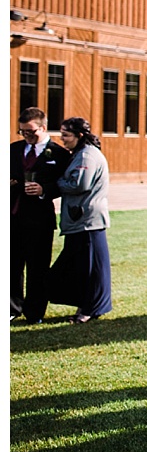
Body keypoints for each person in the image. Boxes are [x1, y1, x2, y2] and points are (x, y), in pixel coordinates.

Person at [46, 117, 112, 324]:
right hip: (83, 220)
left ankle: (90, 309)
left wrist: (56, 181)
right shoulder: (82, 154)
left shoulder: (87, 157)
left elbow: (79, 184)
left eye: (66, 135)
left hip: (87, 221)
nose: (62, 139)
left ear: (79, 136)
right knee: (84, 268)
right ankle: (88, 306)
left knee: (90, 269)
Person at [11, 108, 71, 324]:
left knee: (38, 267)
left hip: (40, 220)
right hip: (13, 217)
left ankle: (34, 312)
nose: (26, 135)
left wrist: (44, 190)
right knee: (12, 265)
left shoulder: (59, 154)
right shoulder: (13, 150)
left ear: (43, 128)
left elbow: (65, 185)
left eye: (30, 131)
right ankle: (12, 308)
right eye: (22, 131)